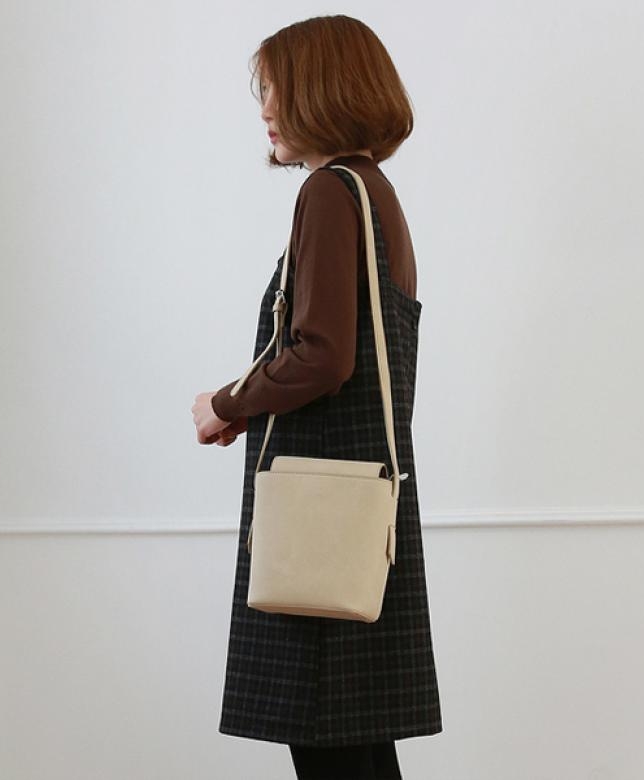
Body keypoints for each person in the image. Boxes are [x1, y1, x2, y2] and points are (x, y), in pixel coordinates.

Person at [191, 14, 442, 780]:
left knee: (334, 755)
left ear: (323, 91)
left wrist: (228, 401)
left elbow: (323, 355)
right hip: (355, 513)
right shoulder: (374, 194)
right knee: (358, 751)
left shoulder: (330, 193)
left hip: (319, 518)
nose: (265, 109)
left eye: (276, 89)